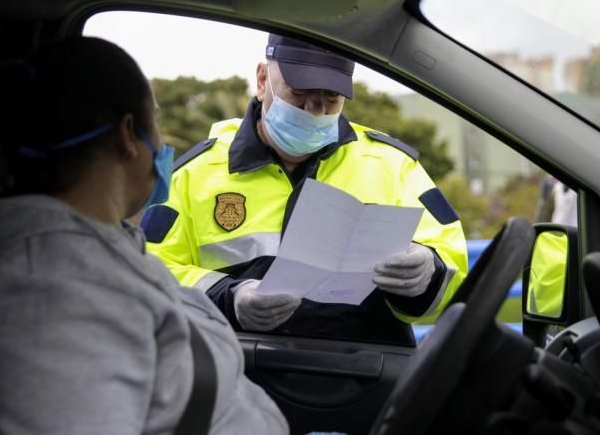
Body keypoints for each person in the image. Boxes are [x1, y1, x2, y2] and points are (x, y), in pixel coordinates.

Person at [0, 37, 288, 434]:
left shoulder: (98, 247)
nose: (161, 144)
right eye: (154, 121)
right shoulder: (50, 287)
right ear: (128, 135)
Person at [143, 34, 468, 346]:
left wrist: (429, 271)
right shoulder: (192, 176)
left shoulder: (392, 166)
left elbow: (454, 274)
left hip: (365, 377)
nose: (315, 110)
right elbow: (149, 274)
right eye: (301, 94)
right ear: (261, 80)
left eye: (331, 100)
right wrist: (229, 297)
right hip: (239, 373)